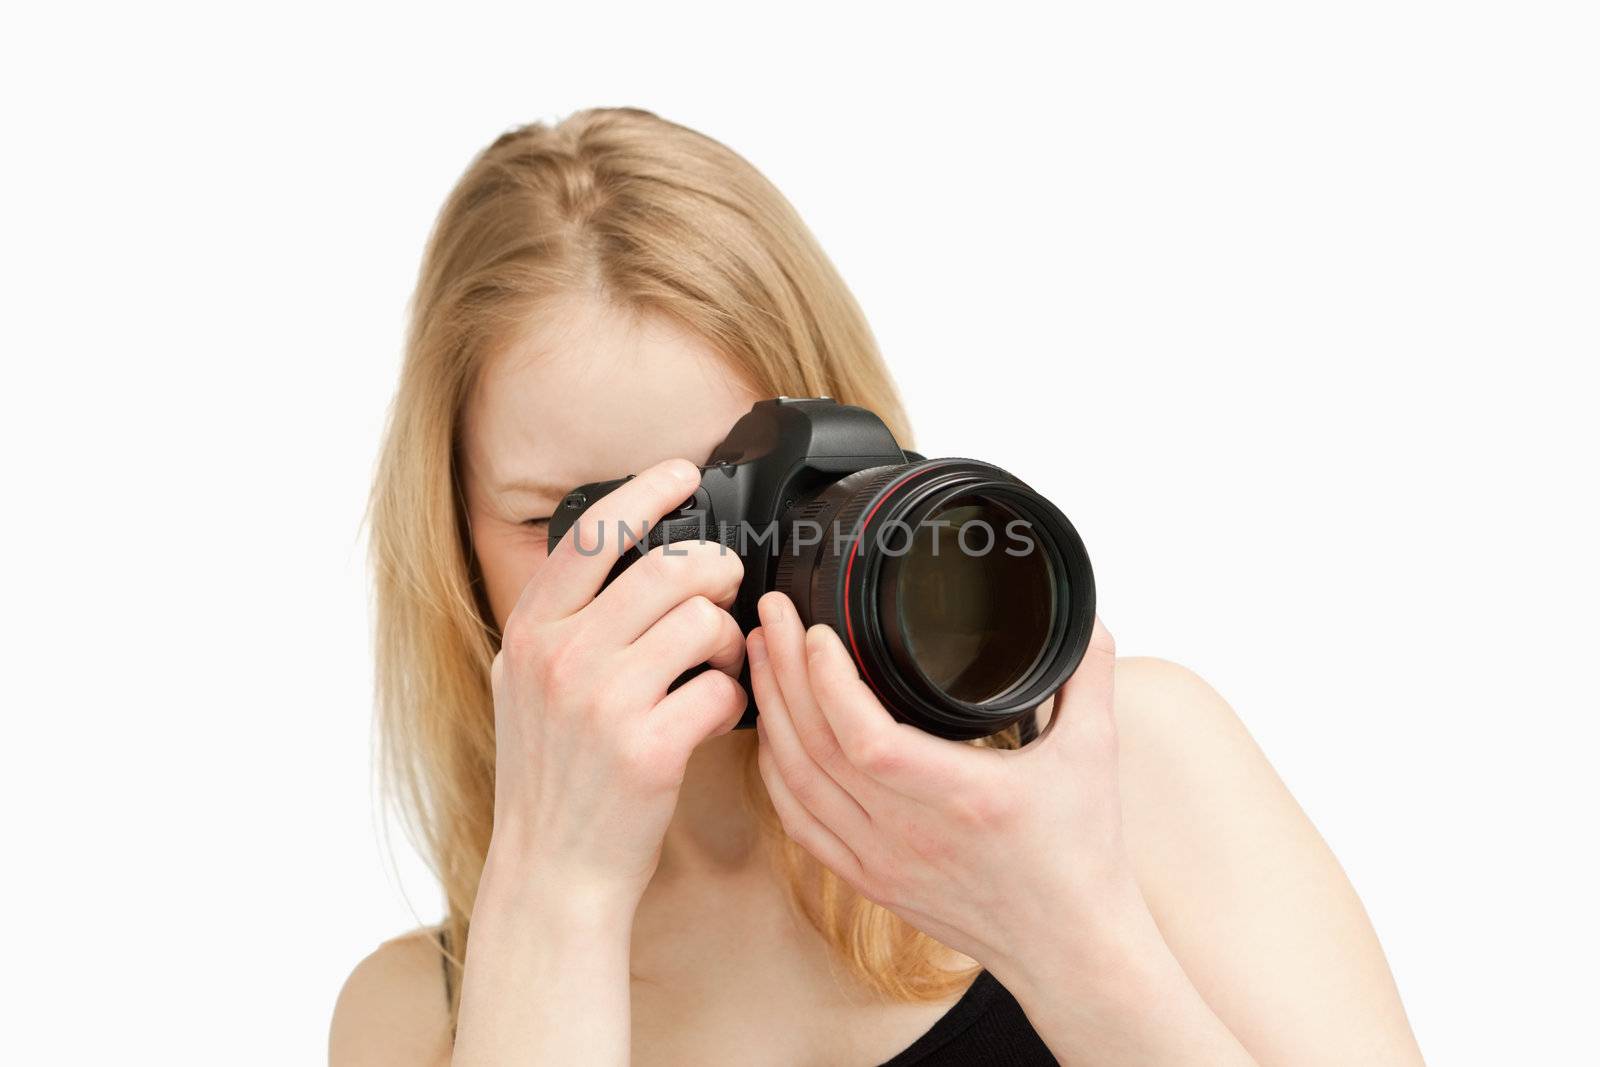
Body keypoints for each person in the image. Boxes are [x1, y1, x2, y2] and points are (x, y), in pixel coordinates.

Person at [329, 107, 1424, 1066]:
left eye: (733, 493)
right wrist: (557, 890)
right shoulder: (415, 1016)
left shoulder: (1134, 770)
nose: (680, 571)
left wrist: (1063, 935)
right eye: (577, 522)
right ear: (450, 541)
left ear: (852, 473)